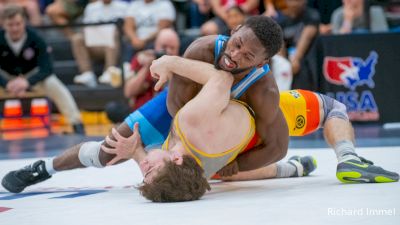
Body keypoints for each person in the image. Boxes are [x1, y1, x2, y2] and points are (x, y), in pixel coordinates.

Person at [2, 16, 397, 198]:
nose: (235, 54)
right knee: (114, 147)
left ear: (262, 63)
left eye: (247, 55)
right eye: (237, 42)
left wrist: (235, 163)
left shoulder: (263, 90)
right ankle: (45, 168)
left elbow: (275, 143)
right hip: (193, 114)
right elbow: (176, 107)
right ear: (233, 31)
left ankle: (342, 159)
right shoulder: (206, 49)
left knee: (325, 110)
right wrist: (158, 148)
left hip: (220, 115)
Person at [0, 5, 85, 134]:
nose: (15, 28)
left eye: (18, 24)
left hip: (32, 78)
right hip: (6, 79)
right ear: (3, 24)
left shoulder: (36, 38)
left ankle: (76, 123)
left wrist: (27, 82)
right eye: (10, 25)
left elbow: (47, 68)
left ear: (24, 22)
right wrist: (7, 83)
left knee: (53, 83)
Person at [105, 28, 180, 123]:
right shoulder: (142, 58)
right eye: (164, 47)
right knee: (112, 109)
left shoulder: (181, 65)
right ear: (156, 46)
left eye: (172, 48)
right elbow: (128, 92)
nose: (168, 51)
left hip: (165, 114)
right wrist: (147, 66)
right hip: (139, 113)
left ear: (178, 49)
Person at [71, 0, 128, 87]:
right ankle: (87, 73)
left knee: (113, 34)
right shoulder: (91, 7)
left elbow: (127, 28)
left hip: (114, 45)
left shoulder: (123, 6)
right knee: (77, 38)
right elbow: (85, 28)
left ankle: (109, 71)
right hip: (95, 44)